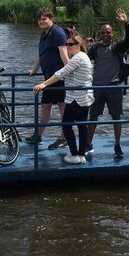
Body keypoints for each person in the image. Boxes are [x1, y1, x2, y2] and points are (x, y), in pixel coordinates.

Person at [33, 31, 94, 164]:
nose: (68, 47)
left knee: (66, 125)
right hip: (85, 97)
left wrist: (44, 84)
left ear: (79, 45)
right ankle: (81, 155)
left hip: (76, 98)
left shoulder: (78, 58)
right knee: (82, 126)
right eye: (66, 44)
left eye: (71, 44)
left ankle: (74, 154)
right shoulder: (83, 56)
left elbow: (62, 73)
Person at [86, 8, 129, 158]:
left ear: (112, 33)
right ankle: (88, 143)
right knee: (93, 116)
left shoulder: (117, 47)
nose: (105, 35)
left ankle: (117, 145)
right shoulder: (94, 49)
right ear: (99, 35)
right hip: (97, 87)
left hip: (114, 86)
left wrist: (125, 22)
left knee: (116, 117)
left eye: (108, 32)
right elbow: (82, 59)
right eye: (103, 33)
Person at [27, 7, 69, 149]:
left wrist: (69, 72)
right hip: (48, 78)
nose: (41, 21)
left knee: (63, 107)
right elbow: (42, 54)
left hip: (59, 77)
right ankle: (38, 135)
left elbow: (64, 56)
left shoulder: (57, 33)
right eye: (39, 19)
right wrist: (34, 70)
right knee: (45, 106)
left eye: (44, 18)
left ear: (51, 19)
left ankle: (65, 138)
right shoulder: (44, 34)